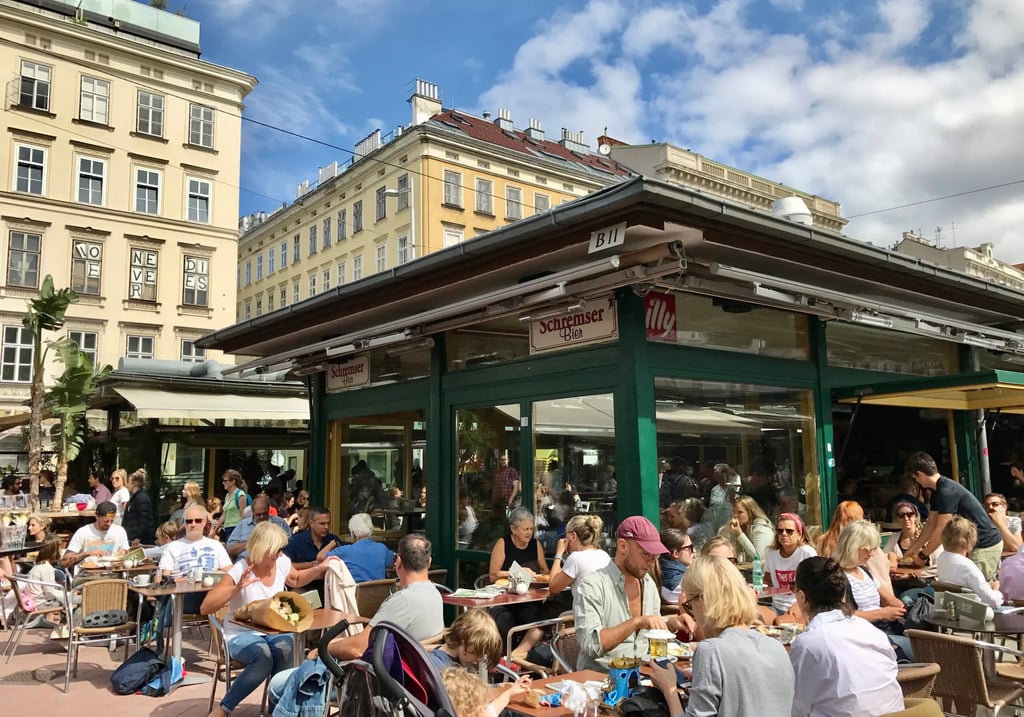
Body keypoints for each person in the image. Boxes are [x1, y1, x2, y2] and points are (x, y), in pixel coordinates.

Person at [268, 533, 445, 717]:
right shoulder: (435, 594)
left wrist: (325, 647)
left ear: (398, 562)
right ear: (429, 562)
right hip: (407, 683)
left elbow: (359, 648)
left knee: (277, 685)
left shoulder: (402, 601)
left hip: (375, 682)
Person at [200, 521, 329, 717]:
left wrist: (320, 568)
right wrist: (237, 589)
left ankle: (276, 710)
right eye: (277, 550)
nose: (281, 554)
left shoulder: (282, 561)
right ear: (264, 549)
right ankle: (224, 709)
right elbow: (206, 607)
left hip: (273, 630)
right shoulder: (241, 569)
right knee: (263, 658)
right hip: (240, 633)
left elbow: (295, 579)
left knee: (287, 647)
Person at [648, 555, 795, 717]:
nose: (693, 615)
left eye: (689, 605)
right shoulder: (777, 648)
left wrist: (670, 690)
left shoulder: (711, 651)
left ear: (703, 600)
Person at [789, 556, 903, 717]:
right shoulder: (872, 632)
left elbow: (797, 705)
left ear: (801, 596)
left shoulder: (808, 644)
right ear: (843, 594)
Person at [574, 515, 669, 671]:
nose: (651, 563)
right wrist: (636, 622)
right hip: (602, 682)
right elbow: (591, 645)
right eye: (646, 554)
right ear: (623, 545)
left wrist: (670, 625)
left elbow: (652, 639)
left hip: (644, 677)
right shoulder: (591, 585)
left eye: (656, 556)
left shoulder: (649, 584)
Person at [905, 451, 1003, 581]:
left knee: (976, 589)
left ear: (920, 474)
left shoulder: (947, 491)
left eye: (914, 478)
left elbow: (941, 529)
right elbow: (931, 524)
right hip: (972, 544)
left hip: (985, 543)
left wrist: (923, 556)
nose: (916, 482)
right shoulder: (936, 492)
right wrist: (912, 550)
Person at [835, 520, 911, 658]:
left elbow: (889, 598)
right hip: (862, 635)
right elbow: (842, 615)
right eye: (867, 549)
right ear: (851, 547)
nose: (871, 554)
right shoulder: (837, 576)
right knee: (916, 650)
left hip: (881, 629)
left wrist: (906, 609)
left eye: (874, 549)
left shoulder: (864, 571)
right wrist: (882, 613)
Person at [936, 515, 1003, 609]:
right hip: (971, 612)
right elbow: (993, 602)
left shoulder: (942, 558)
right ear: (969, 539)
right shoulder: (967, 565)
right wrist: (996, 590)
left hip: (951, 609)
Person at [763, 512, 816, 617]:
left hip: (801, 607)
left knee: (780, 622)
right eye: (780, 531)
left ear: (799, 534)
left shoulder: (807, 552)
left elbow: (815, 584)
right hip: (776, 606)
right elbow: (767, 580)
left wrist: (799, 605)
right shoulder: (770, 553)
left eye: (789, 531)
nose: (784, 534)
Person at [323, 512, 394, 583]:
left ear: (354, 534)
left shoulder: (346, 551)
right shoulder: (382, 548)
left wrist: (332, 543)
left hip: (354, 593)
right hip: (379, 592)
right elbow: (392, 562)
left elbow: (320, 556)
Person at [60, 501, 129, 570]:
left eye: (112, 521)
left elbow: (127, 553)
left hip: (112, 574)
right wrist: (86, 554)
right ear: (96, 517)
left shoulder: (120, 531)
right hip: (87, 576)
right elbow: (64, 563)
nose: (109, 524)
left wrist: (125, 552)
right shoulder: (83, 532)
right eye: (106, 521)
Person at [226, 495, 289, 560]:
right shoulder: (243, 524)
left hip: (273, 562)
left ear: (268, 510)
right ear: (253, 512)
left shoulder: (280, 523)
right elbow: (230, 549)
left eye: (264, 514)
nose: (262, 517)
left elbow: (289, 545)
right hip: (246, 562)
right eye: (258, 515)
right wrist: (250, 543)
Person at [885, 501, 940, 575]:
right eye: (901, 515)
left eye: (910, 514)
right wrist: (891, 556)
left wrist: (918, 574)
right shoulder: (893, 538)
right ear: (897, 519)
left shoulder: (928, 537)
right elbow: (883, 558)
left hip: (925, 580)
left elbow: (939, 565)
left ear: (916, 517)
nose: (906, 518)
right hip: (899, 580)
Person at [720, 495, 773, 562]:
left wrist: (740, 535)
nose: (735, 515)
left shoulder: (761, 528)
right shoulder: (741, 526)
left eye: (740, 512)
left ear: (750, 513)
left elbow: (759, 558)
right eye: (734, 512)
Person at [657, 528, 695, 604]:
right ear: (676, 553)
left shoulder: (660, 572)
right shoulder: (682, 583)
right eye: (689, 548)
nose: (694, 551)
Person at [122, 468, 155, 545]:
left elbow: (144, 520)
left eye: (128, 482)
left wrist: (138, 537)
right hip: (132, 537)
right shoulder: (133, 498)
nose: (127, 485)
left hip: (141, 540)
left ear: (134, 484)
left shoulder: (142, 498)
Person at [215, 469, 251, 541]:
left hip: (236, 528)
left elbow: (243, 515)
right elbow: (224, 514)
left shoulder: (240, 494)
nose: (223, 483)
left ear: (233, 482)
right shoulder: (227, 495)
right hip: (227, 528)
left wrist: (240, 531)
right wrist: (215, 529)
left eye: (225, 481)